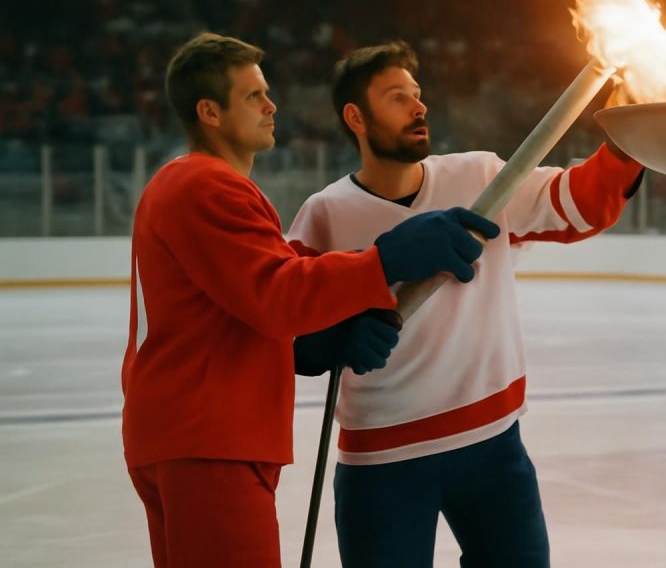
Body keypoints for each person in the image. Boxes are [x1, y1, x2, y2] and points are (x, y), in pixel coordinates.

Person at [121, 32, 499, 568]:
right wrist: (386, 259)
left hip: (189, 436)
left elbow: (249, 301)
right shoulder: (208, 185)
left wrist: (329, 335)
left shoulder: (181, 183)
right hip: (210, 441)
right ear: (209, 111)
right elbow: (278, 293)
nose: (272, 104)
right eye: (253, 95)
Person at [287, 40, 644, 567]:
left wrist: (631, 137)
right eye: (396, 97)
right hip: (382, 460)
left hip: (493, 447)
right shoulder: (324, 214)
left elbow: (580, 202)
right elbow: (287, 320)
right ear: (355, 117)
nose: (418, 105)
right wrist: (329, 339)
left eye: (417, 93)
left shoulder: (481, 178)